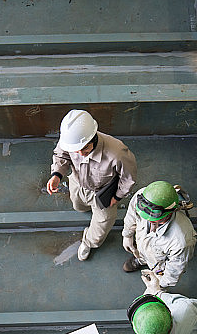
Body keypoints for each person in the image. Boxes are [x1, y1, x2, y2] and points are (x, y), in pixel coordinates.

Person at [47, 109, 137, 261]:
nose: (81, 154)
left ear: (93, 137)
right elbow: (61, 154)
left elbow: (128, 178)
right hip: (77, 184)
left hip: (103, 192)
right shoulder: (70, 142)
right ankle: (85, 208)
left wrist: (117, 196)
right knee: (78, 205)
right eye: (76, 150)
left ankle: (89, 242)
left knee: (102, 226)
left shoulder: (117, 152)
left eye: (85, 148)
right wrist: (57, 174)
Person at [121, 180, 196, 288]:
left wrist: (159, 286)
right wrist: (127, 235)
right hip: (143, 243)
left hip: (160, 263)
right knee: (142, 251)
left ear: (170, 211)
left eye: (153, 218)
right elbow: (131, 215)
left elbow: (174, 272)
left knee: (158, 271)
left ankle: (150, 267)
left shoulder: (181, 241)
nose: (148, 219)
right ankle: (140, 259)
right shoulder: (143, 196)